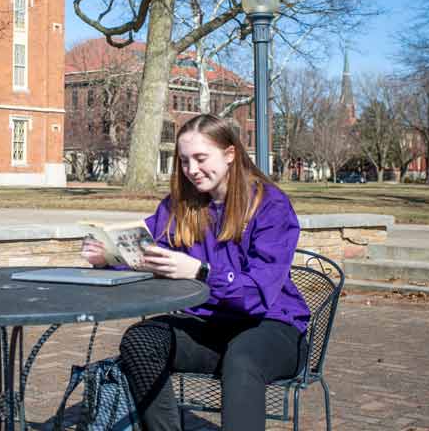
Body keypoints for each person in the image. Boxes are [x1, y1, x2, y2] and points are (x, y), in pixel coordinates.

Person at [81, 114, 310, 431]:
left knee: (242, 358)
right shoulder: (180, 206)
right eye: (185, 161)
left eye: (201, 158)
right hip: (211, 327)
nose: (192, 170)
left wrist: (202, 273)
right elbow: (144, 247)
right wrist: (107, 254)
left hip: (273, 328)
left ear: (230, 154)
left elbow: (258, 295)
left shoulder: (270, 205)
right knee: (141, 340)